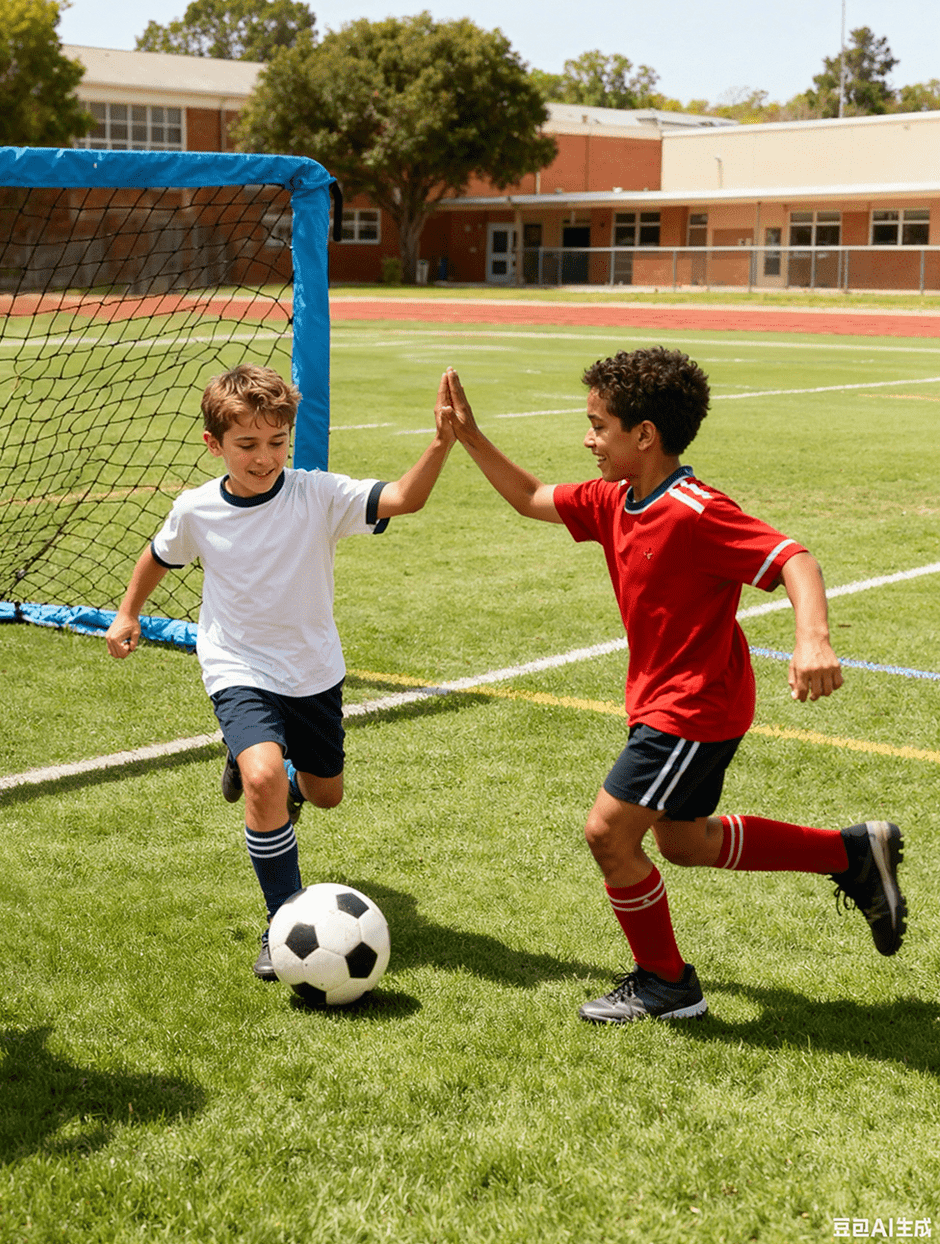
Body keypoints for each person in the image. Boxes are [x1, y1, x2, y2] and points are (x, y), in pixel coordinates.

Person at [445, 347, 906, 1024]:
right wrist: (470, 437)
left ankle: (666, 982)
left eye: (597, 425)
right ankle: (850, 852)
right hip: (663, 701)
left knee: (607, 834)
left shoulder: (694, 510)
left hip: (693, 706)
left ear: (644, 435)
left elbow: (792, 559)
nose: (587, 438)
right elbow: (527, 496)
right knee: (684, 843)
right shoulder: (611, 501)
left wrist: (813, 639)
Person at [105, 362, 458, 979]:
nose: (264, 457)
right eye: (246, 445)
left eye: (276, 442)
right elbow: (159, 555)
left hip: (312, 670)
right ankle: (281, 922)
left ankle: (274, 778)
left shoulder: (317, 495)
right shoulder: (196, 509)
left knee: (325, 794)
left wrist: (440, 443)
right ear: (215, 444)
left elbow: (404, 498)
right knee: (264, 776)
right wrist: (127, 614)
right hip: (235, 663)